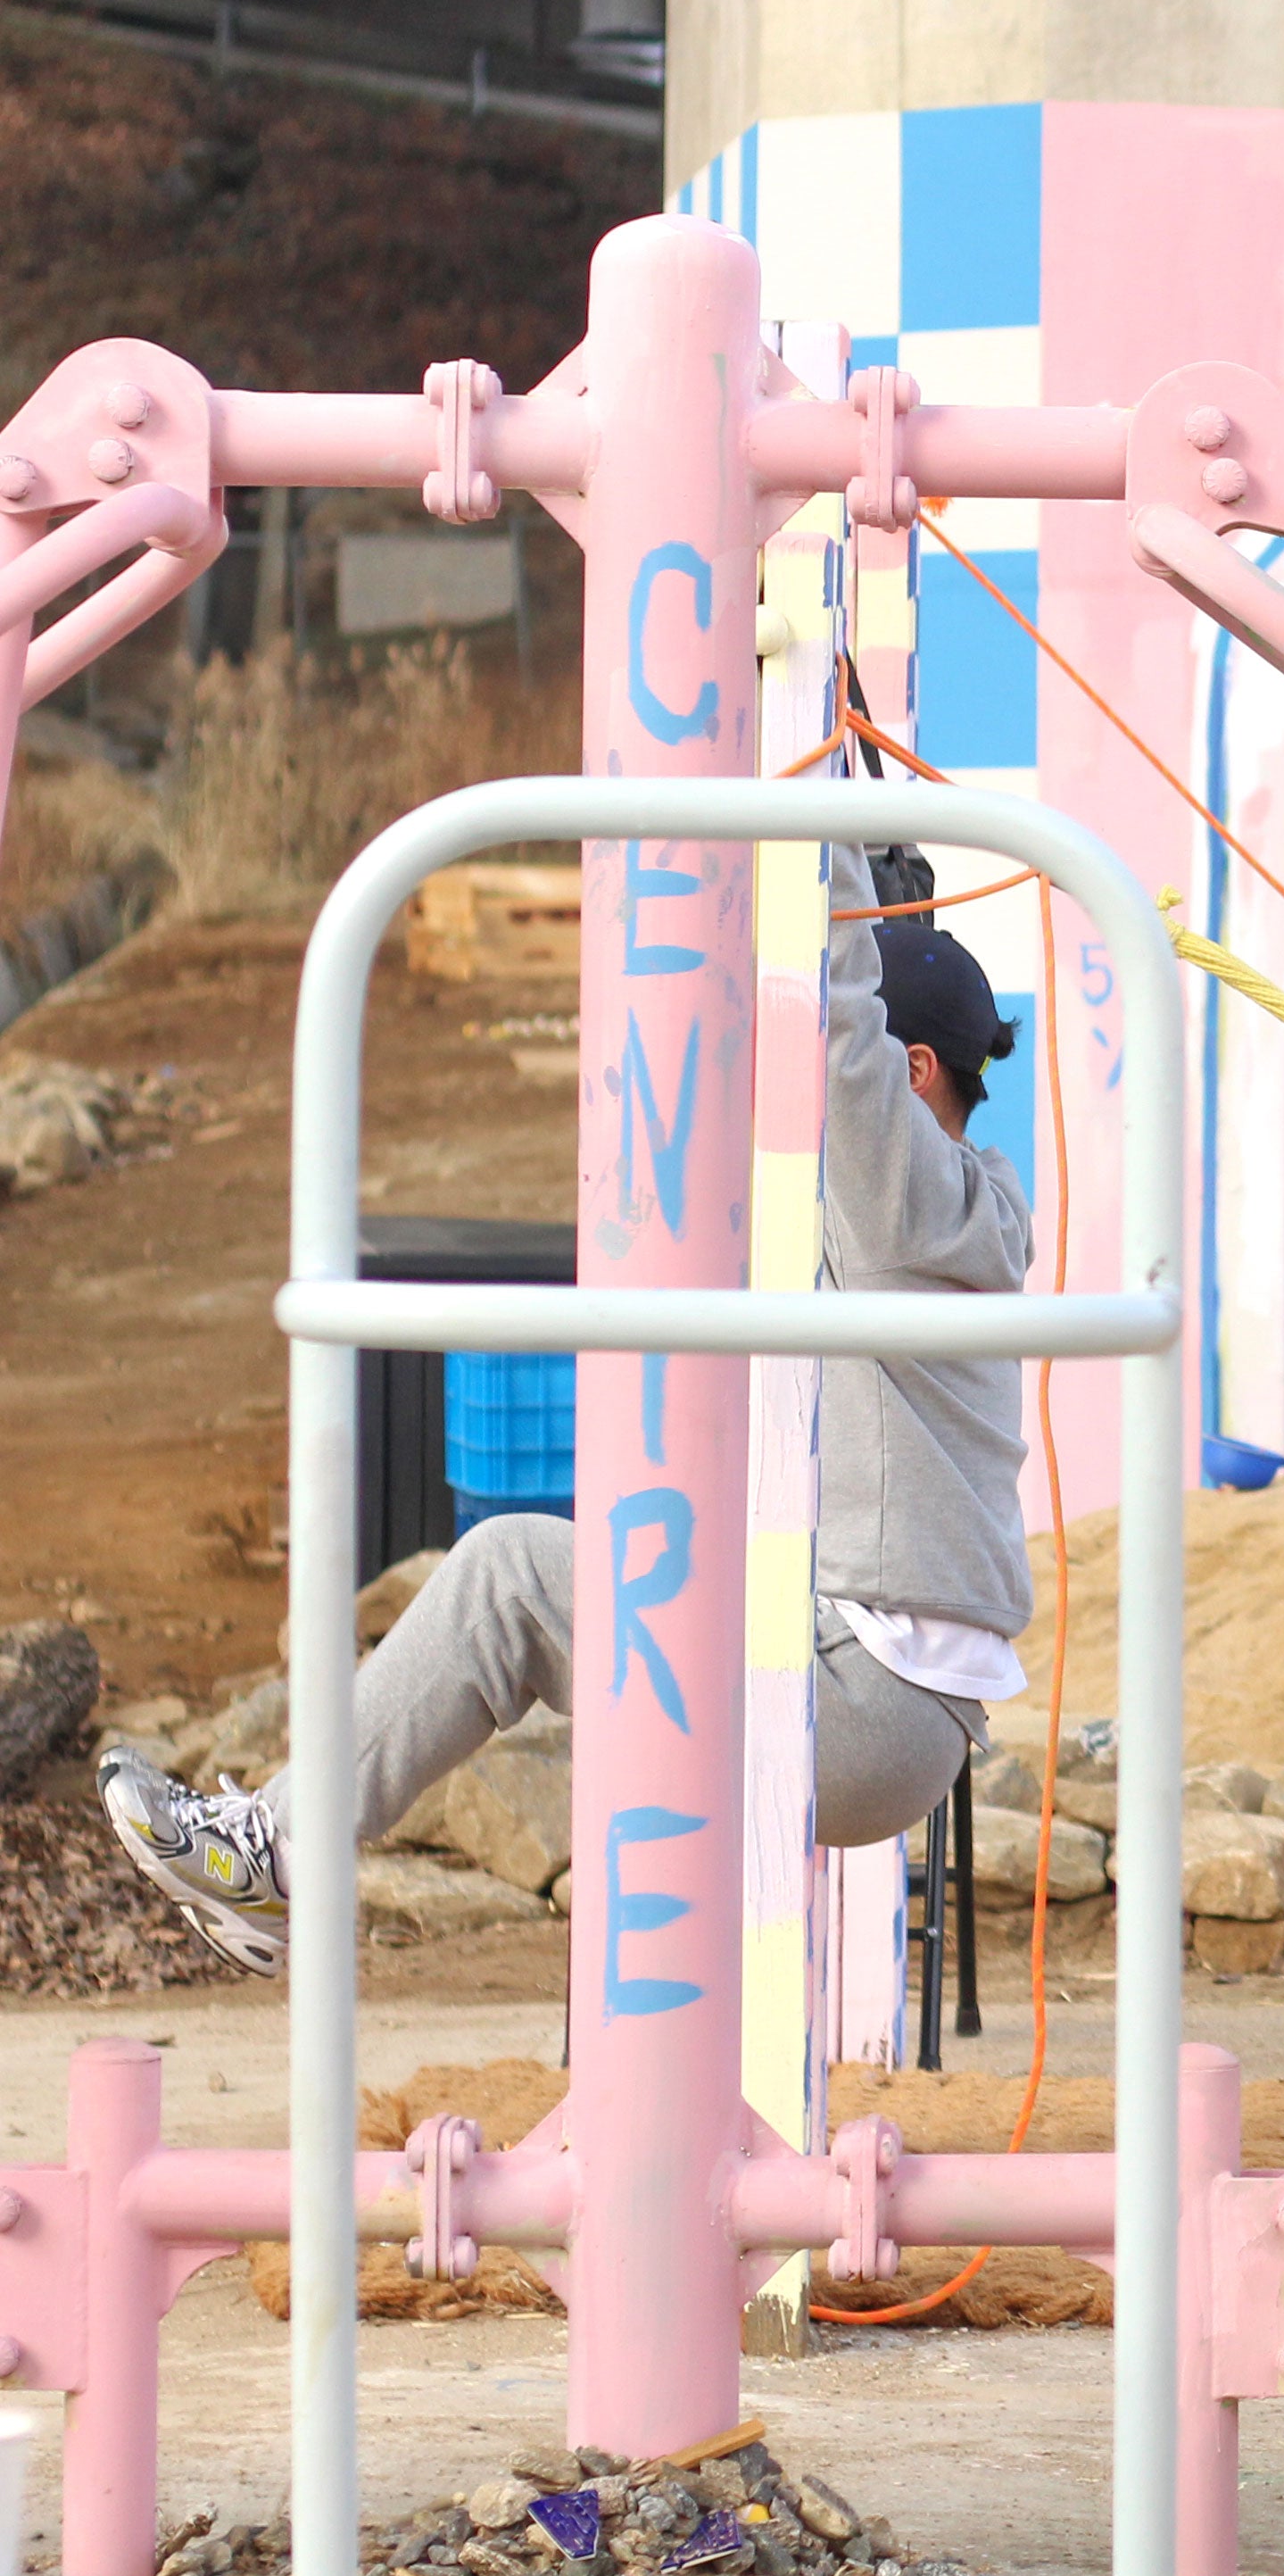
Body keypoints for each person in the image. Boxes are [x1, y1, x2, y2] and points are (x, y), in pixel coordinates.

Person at [102, 843, 1032, 1974]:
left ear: (917, 1069)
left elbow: (840, 1039)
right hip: (873, 1679)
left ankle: (280, 1855)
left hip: (863, 1700)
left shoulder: (910, 1206)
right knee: (608, 1561)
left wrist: (823, 843)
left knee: (509, 1577)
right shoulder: (951, 1212)